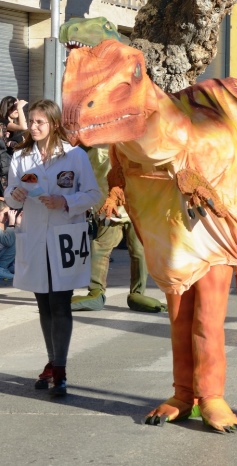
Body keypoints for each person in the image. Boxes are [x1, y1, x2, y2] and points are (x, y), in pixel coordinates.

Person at [4, 99, 102, 396]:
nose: (32, 127)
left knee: (60, 303)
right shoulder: (21, 158)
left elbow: (93, 194)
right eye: (31, 121)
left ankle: (59, 369)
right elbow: (10, 197)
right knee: (44, 304)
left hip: (64, 238)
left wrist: (66, 202)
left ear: (54, 124)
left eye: (39, 122)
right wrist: (17, 195)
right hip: (34, 237)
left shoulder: (74, 157)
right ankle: (51, 362)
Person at [70, 146, 163, 313]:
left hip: (138, 205)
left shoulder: (138, 141)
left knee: (140, 250)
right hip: (110, 207)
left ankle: (137, 293)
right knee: (101, 247)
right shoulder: (94, 143)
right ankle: (96, 292)